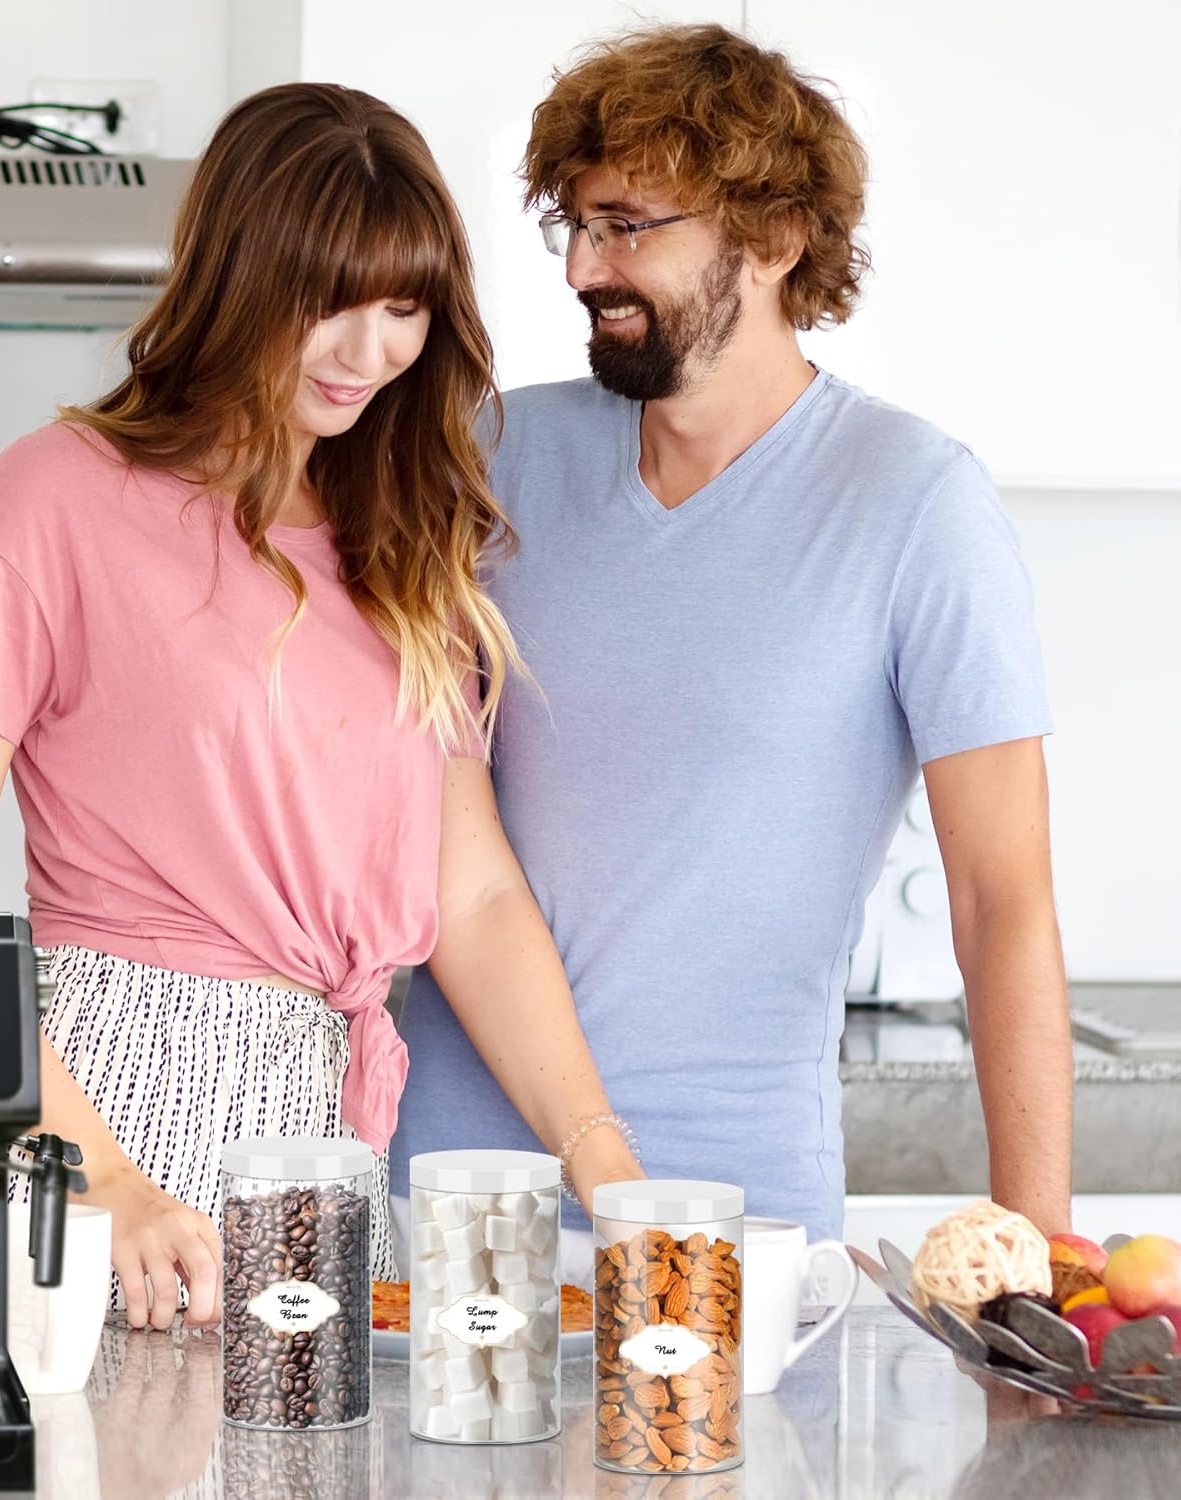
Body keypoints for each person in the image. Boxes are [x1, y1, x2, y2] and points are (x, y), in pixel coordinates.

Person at [0, 82, 641, 1330]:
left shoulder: (403, 539)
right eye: (329, 300)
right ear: (240, 276)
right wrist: (96, 1175)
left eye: (403, 308)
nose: (368, 353)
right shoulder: (57, 498)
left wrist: (606, 1163)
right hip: (105, 1106)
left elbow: (474, 897)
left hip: (318, 1131)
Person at [391, 23, 1071, 1279]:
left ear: (775, 237)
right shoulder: (490, 458)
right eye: (574, 225)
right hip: (452, 1193)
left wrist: (1040, 1263)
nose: (583, 268)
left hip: (738, 1212)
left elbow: (1002, 901)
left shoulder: (914, 502)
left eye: (627, 226)